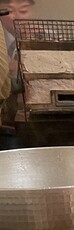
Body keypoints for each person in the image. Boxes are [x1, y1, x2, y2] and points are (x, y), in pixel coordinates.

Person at [0, 0, 32, 148]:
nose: (16, 16)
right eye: (10, 11)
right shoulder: (4, 41)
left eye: (23, 10)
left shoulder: (43, 34)